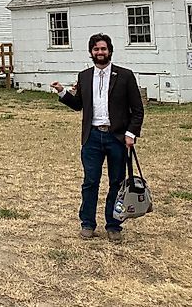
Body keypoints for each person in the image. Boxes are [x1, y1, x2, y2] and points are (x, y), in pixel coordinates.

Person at [51, 33, 144, 243]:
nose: (100, 53)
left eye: (103, 49)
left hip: (117, 137)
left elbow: (137, 110)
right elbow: (78, 105)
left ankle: (113, 225)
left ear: (109, 50)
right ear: (91, 52)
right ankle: (87, 224)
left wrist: (130, 133)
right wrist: (62, 92)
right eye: (96, 49)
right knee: (90, 182)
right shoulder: (84, 76)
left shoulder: (125, 76)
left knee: (116, 182)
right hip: (92, 137)